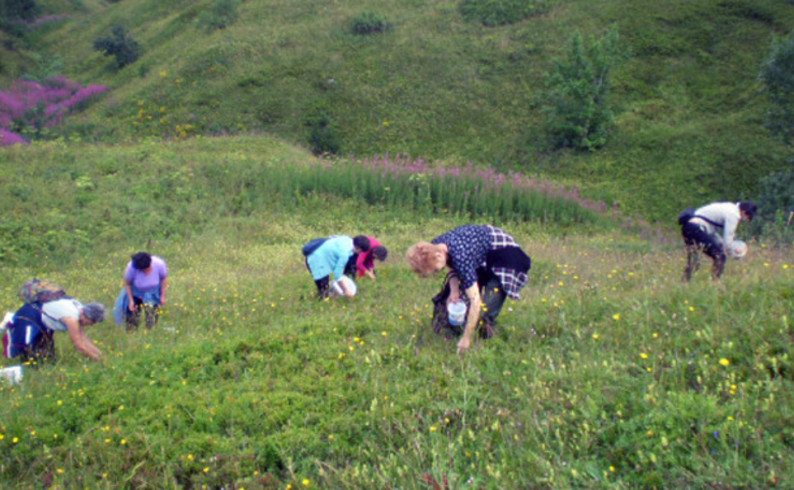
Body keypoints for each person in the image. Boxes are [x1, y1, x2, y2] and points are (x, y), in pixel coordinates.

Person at [406, 225, 531, 353]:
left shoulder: (461, 256)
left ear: (438, 255)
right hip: (483, 255)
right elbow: (450, 263)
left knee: (485, 310)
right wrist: (454, 291)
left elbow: (475, 301)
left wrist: (466, 339)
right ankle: (466, 331)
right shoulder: (435, 246)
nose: (437, 272)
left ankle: (487, 345)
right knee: (454, 294)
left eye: (436, 270)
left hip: (506, 257)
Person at [4, 298, 106, 363]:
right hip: (30, 316)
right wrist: (98, 360)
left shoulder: (79, 311)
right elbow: (79, 345)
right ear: (86, 316)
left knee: (47, 357)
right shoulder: (71, 318)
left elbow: (84, 338)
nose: (91, 325)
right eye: (92, 322)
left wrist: (101, 355)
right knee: (27, 350)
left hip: (44, 321)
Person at [679, 201, 757, 281]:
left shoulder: (729, 207)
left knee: (694, 260)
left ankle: (684, 283)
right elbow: (728, 243)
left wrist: (721, 244)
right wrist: (737, 251)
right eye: (748, 218)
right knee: (720, 256)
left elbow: (713, 235)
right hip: (696, 229)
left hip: (689, 227)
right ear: (744, 212)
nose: (746, 221)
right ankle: (715, 284)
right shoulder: (733, 215)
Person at [306, 235, 371, 298]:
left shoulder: (346, 239)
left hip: (316, 255)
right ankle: (321, 299)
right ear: (358, 248)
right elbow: (337, 276)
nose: (360, 253)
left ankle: (324, 295)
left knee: (325, 286)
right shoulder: (344, 253)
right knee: (324, 291)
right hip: (316, 261)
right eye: (361, 251)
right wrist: (346, 290)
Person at [119, 252, 169, 330]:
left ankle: (150, 332)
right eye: (143, 270)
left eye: (148, 269)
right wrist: (131, 300)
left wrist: (163, 296)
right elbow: (127, 284)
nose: (147, 272)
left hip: (153, 293)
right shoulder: (131, 268)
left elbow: (164, 279)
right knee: (132, 317)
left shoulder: (159, 264)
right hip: (136, 293)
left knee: (152, 317)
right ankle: (132, 334)